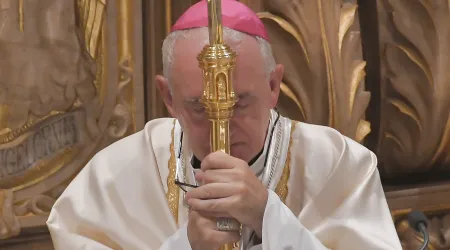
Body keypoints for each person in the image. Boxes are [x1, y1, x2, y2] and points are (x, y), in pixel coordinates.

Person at [46, 0, 403, 249]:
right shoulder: (115, 176)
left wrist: (268, 218)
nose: (224, 125)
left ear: (274, 85)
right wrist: (186, 245)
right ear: (167, 96)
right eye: (200, 108)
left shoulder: (338, 165)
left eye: (241, 103)